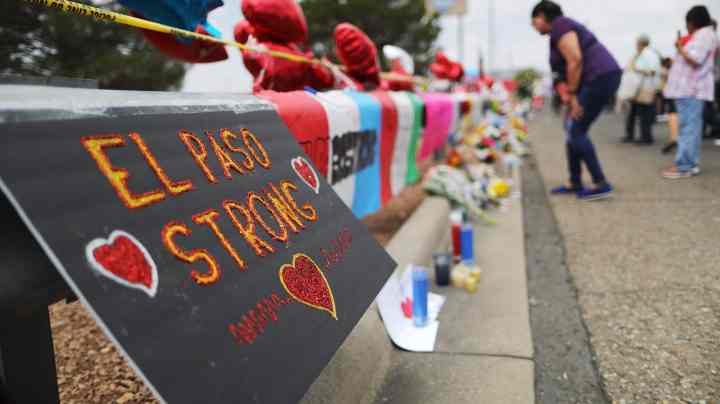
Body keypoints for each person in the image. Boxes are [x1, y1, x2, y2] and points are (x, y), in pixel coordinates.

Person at [531, 1, 621, 200]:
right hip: (598, 77)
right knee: (571, 126)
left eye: (535, 19)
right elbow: (564, 69)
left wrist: (572, 95)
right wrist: (567, 94)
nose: (533, 25)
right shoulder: (557, 31)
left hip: (598, 76)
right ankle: (574, 180)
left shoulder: (560, 25)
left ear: (544, 16)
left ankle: (601, 183)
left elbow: (575, 59)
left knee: (576, 128)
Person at [662, 6, 718, 179]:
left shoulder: (705, 35)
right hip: (690, 89)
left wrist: (680, 48)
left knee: (688, 128)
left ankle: (685, 165)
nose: (687, 27)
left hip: (691, 89)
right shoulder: (706, 35)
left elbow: (696, 59)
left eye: (688, 23)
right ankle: (688, 164)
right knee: (689, 127)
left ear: (693, 22)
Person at [623, 34, 661, 145]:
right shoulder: (640, 54)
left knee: (644, 114)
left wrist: (637, 70)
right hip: (638, 88)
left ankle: (646, 137)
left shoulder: (649, 55)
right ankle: (632, 135)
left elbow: (652, 71)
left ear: (640, 44)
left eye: (637, 43)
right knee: (634, 112)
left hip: (646, 88)